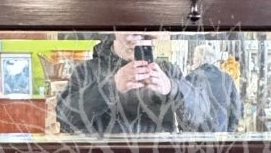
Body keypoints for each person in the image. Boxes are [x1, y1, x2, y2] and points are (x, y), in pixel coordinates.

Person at [56, 32, 240, 137]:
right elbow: (65, 120)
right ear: (114, 31)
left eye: (143, 33)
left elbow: (201, 120)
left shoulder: (167, 71)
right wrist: (111, 87)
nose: (135, 39)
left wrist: (172, 88)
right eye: (128, 31)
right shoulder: (87, 70)